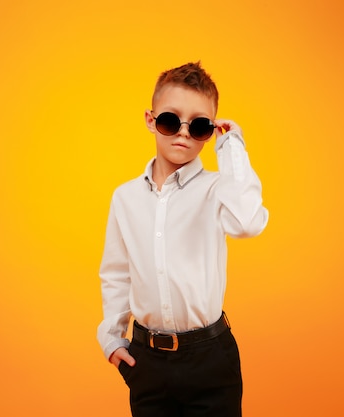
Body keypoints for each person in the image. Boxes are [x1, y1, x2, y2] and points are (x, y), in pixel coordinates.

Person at [97, 61, 269, 417]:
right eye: (170, 120)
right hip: (148, 361)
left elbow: (248, 223)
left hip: (210, 358)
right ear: (150, 120)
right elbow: (116, 273)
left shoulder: (218, 190)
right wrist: (112, 338)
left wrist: (232, 147)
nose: (183, 134)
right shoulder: (125, 198)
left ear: (211, 130)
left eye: (201, 125)